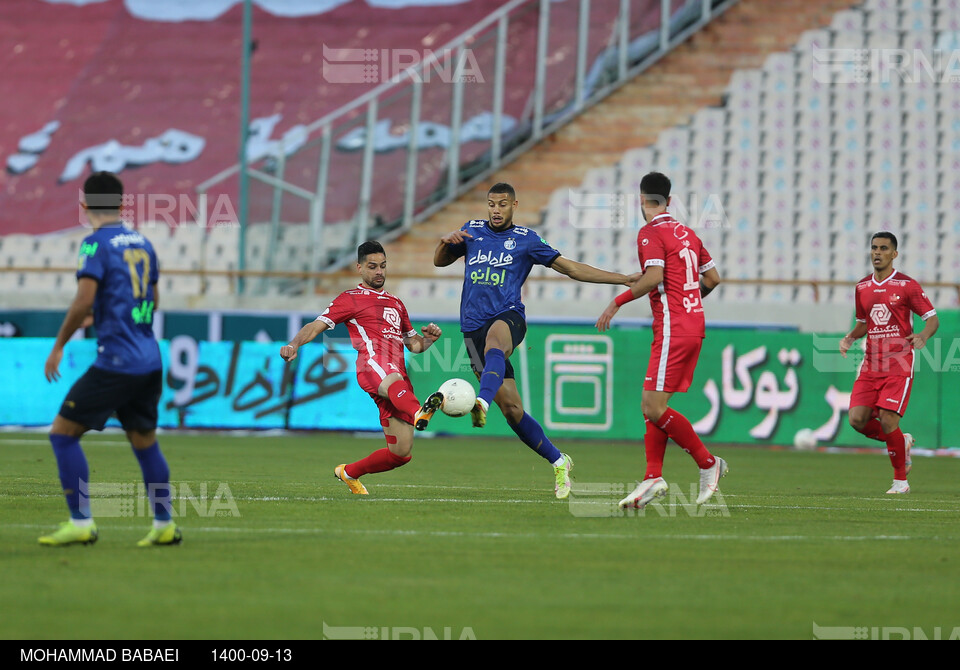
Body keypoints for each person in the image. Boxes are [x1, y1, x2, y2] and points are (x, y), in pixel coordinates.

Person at [422, 182, 637, 499]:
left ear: (514, 205)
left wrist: (622, 278)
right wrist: (445, 242)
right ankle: (559, 460)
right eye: (492, 204)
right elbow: (440, 261)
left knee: (495, 341)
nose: (496, 210)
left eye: (503, 204)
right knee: (512, 411)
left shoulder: (526, 240)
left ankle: (480, 401)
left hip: (509, 317)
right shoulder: (472, 231)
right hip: (470, 327)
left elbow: (570, 268)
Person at [40, 171, 178, 547]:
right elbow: (149, 298)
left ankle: (81, 523)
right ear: (122, 204)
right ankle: (164, 524)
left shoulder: (94, 245)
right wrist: (111, 319)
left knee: (62, 435)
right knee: (144, 440)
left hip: (117, 360)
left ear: (83, 206)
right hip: (149, 357)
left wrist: (59, 344)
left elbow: (84, 297)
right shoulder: (144, 242)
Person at [595, 171, 726, 510]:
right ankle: (653, 476)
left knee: (653, 407)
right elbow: (712, 278)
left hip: (673, 328)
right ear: (668, 200)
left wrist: (616, 302)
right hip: (691, 323)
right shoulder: (688, 233)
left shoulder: (649, 232)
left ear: (642, 201)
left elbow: (654, 277)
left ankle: (708, 463)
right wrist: (689, 299)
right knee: (653, 405)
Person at [280, 240, 442, 494]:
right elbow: (316, 325)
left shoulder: (397, 303)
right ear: (359, 268)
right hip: (373, 365)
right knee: (393, 376)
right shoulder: (350, 299)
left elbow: (414, 345)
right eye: (372, 266)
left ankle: (349, 472)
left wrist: (429, 339)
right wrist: (294, 343)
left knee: (401, 453)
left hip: (396, 380)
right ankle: (419, 411)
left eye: (383, 266)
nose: (379, 271)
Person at [839, 231, 938, 494]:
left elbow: (932, 319)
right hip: (871, 364)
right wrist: (849, 338)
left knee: (886, 419)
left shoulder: (907, 285)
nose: (877, 253)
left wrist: (923, 336)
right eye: (874, 248)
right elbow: (863, 323)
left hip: (898, 363)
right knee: (857, 419)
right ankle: (900, 441)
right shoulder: (862, 287)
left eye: (883, 248)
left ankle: (900, 481)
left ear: (894, 254)